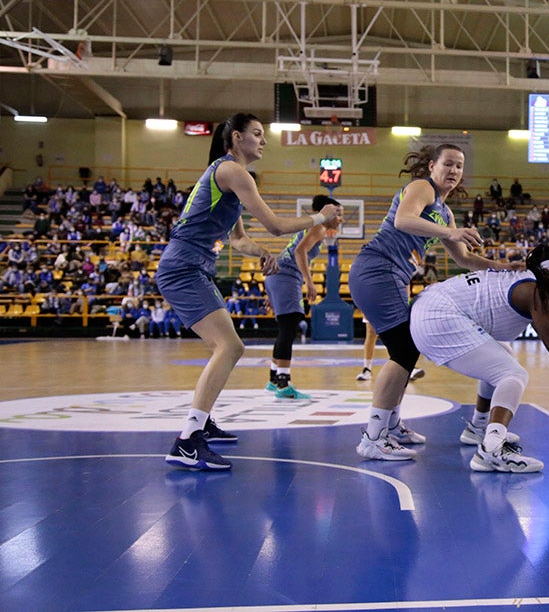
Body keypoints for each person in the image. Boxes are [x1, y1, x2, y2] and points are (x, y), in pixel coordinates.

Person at [158, 113, 341, 471]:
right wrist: (321, 217)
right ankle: (187, 441)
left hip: (193, 267)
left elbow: (239, 239)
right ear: (236, 137)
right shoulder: (231, 171)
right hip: (184, 267)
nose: (263, 141)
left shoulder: (228, 176)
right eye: (257, 134)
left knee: (223, 348)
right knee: (231, 347)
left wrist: (262, 254)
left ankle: (202, 419)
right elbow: (275, 225)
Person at [348, 143, 520, 461]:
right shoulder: (421, 188)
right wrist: (450, 232)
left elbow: (465, 260)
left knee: (407, 350)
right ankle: (373, 436)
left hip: (393, 278)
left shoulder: (444, 211)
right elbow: (403, 219)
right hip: (376, 270)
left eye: (459, 166)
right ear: (432, 166)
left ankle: (392, 425)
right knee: (404, 350)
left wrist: (504, 269)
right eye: (448, 164)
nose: (454, 171)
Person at [410, 245, 549, 472]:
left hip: (430, 307)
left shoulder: (526, 280)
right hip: (439, 316)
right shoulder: (536, 292)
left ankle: (479, 427)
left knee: (503, 355)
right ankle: (491, 451)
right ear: (546, 273)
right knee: (512, 374)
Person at [263, 194, 344, 399]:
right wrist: (309, 281)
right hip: (285, 276)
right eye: (338, 213)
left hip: (278, 276)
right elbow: (299, 252)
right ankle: (283, 383)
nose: (340, 218)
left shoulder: (316, 228)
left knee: (286, 327)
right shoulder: (319, 227)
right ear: (327, 211)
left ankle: (274, 379)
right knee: (289, 326)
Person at [356, 320, 425, 382]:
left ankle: (409, 368)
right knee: (371, 332)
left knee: (397, 332)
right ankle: (367, 369)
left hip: (390, 307)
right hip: (372, 307)